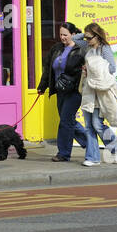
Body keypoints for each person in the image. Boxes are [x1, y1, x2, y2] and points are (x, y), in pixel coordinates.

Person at [37, 22, 88, 163]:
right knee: (69, 121)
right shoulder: (56, 48)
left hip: (75, 91)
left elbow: (88, 69)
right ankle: (90, 144)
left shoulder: (81, 48)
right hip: (60, 90)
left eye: (65, 35)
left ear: (73, 35)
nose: (62, 37)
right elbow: (48, 69)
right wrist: (42, 86)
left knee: (65, 121)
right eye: (60, 34)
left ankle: (63, 154)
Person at [77, 22, 117, 165]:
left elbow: (112, 68)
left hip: (101, 91)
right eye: (86, 38)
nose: (87, 40)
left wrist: (93, 68)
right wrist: (85, 33)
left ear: (97, 37)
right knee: (88, 126)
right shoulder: (87, 47)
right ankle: (93, 158)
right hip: (88, 90)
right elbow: (75, 39)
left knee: (97, 124)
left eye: (90, 37)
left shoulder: (105, 49)